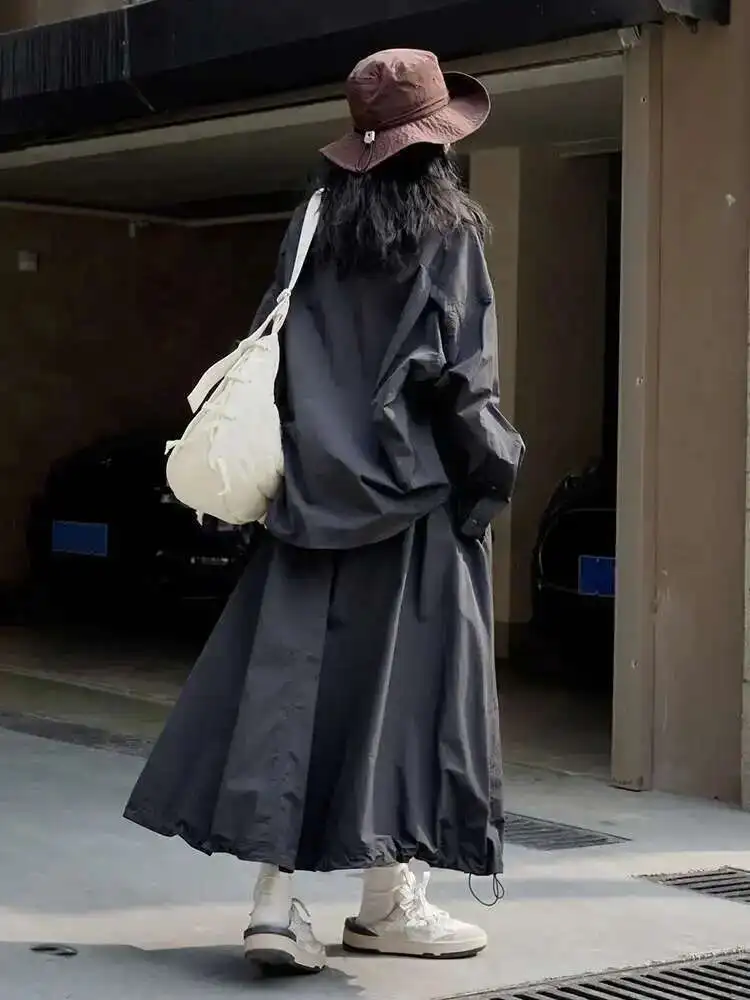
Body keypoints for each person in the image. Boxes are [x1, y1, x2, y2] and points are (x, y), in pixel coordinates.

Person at [124, 48, 524, 974]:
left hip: (308, 498)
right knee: (410, 703)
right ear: (437, 145)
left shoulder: (311, 223)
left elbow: (277, 349)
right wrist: (492, 480)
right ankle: (390, 905)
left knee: (289, 695)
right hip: (414, 506)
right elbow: (466, 383)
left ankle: (275, 905)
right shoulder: (450, 232)